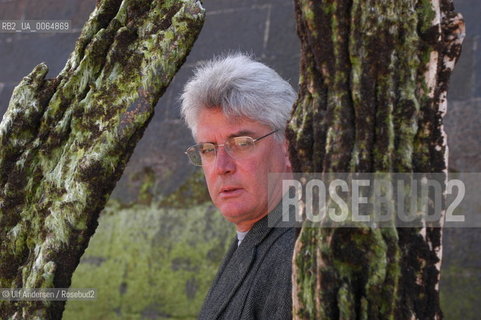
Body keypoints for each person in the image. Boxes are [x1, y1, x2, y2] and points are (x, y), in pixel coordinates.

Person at [180, 53, 297, 320]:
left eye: (242, 143)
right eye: (208, 149)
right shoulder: (256, 233)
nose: (222, 166)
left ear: (289, 146)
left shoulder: (295, 255)